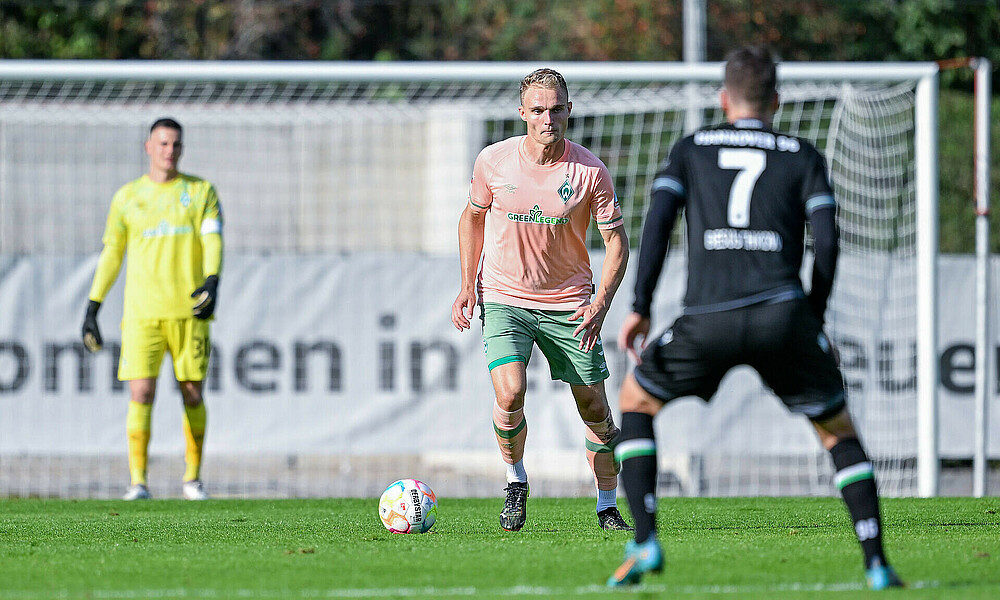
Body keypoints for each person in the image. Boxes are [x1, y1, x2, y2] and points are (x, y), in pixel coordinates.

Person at [607, 46, 904, 590]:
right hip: (782, 315)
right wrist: (813, 317)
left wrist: (641, 307)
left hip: (707, 318)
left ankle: (646, 540)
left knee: (636, 401)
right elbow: (829, 242)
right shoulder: (801, 154)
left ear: (724, 99)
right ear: (778, 100)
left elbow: (657, 227)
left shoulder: (692, 148)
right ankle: (877, 564)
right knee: (837, 431)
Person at [451, 68, 632, 532]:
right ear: (522, 113)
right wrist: (467, 284)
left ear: (568, 110)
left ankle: (607, 506)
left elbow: (617, 244)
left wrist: (602, 303)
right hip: (504, 295)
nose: (547, 118)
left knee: (593, 407)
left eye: (556, 109)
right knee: (509, 392)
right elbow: (471, 219)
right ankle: (515, 481)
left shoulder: (590, 170)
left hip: (570, 300)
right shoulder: (493, 161)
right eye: (538, 110)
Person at [82, 117, 223, 501]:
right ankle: (138, 482)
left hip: (189, 312)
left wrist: (212, 279)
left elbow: (212, 239)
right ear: (148, 147)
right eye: (162, 144)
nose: (169, 151)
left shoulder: (200, 192)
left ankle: (192, 479)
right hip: (142, 313)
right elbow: (112, 253)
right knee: (141, 392)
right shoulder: (127, 197)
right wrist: (94, 305)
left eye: (175, 144)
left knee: (192, 393)